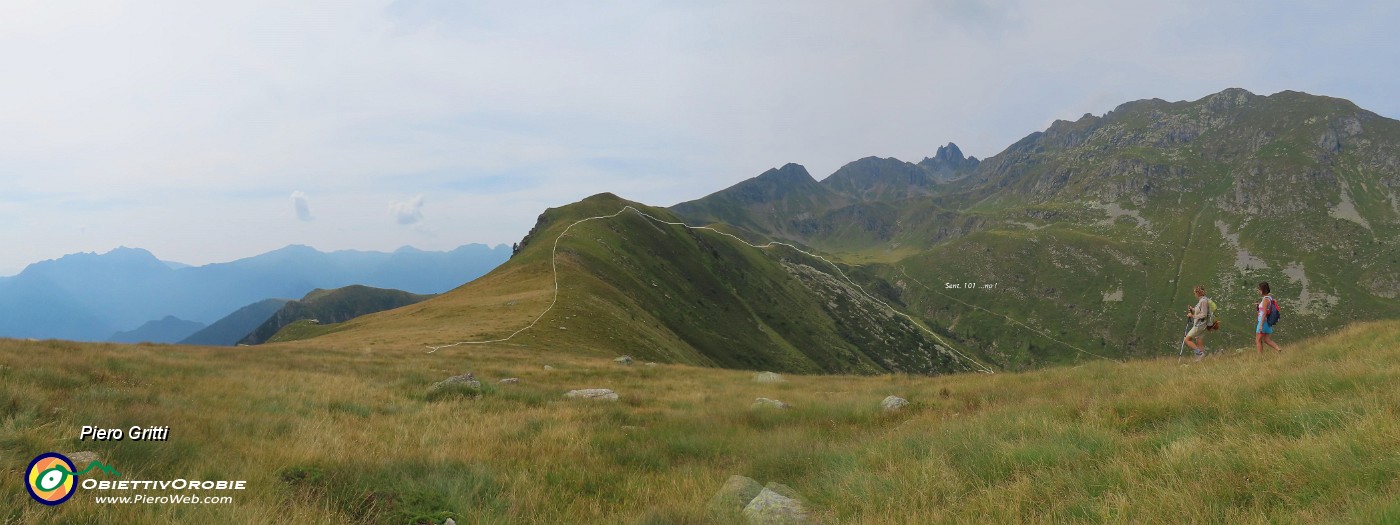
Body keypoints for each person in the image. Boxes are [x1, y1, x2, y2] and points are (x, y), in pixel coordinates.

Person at [1184, 284, 1211, 361]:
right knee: (1199, 341)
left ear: (1198, 292)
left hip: (1199, 325)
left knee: (1187, 340)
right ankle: (1201, 359)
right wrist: (1192, 309)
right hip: (1202, 324)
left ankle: (1199, 353)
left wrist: (1192, 316)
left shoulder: (1203, 301)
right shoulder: (1203, 300)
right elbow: (1199, 311)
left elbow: (1203, 314)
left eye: (1194, 292)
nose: (1194, 294)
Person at [1255, 281, 1282, 354]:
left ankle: (1259, 358)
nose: (1259, 291)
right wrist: (1258, 307)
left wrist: (1261, 325)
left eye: (1259, 289)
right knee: (1267, 340)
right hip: (1267, 322)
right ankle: (1278, 349)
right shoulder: (1269, 298)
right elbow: (1265, 310)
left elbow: (1264, 313)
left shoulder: (1265, 299)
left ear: (1263, 290)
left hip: (1263, 322)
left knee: (1258, 340)